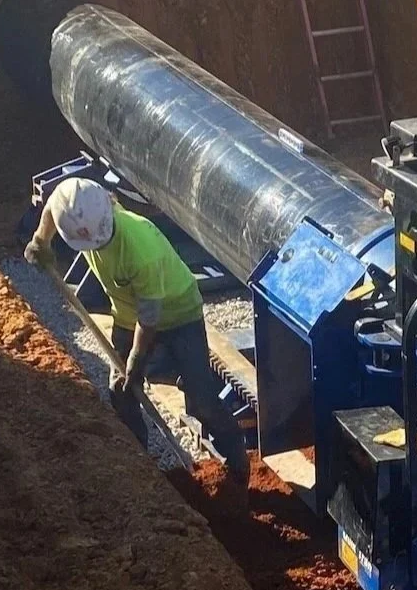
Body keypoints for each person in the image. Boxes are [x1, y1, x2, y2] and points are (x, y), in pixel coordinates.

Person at [24, 178, 249, 475]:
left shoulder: (141, 250)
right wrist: (41, 240)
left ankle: (237, 464)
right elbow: (53, 207)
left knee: (202, 398)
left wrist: (136, 359)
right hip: (128, 314)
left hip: (179, 313)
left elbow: (150, 319)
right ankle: (142, 472)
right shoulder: (77, 207)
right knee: (121, 391)